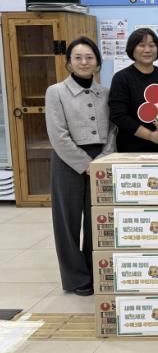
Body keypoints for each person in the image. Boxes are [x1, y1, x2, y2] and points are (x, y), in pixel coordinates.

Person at [45, 37, 115, 296]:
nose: (84, 62)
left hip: (101, 159)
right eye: (78, 57)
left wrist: (103, 158)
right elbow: (58, 134)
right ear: (69, 63)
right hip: (68, 161)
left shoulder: (105, 92)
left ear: (97, 62)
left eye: (89, 57)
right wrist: (85, 164)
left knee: (97, 218)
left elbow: (113, 129)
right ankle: (75, 278)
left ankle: (95, 270)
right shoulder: (55, 92)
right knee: (68, 221)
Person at [109, 28, 158, 152]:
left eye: (152, 45)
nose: (147, 50)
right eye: (141, 45)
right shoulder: (121, 78)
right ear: (132, 48)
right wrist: (150, 136)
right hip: (131, 150)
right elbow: (118, 116)